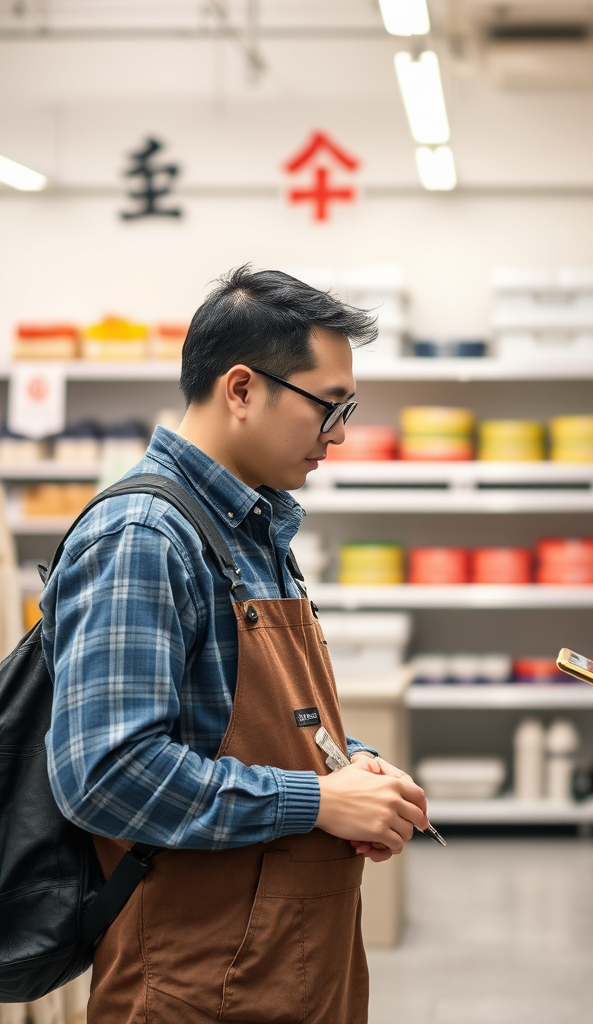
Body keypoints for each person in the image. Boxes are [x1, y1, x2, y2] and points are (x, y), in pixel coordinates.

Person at [42, 267, 429, 1024]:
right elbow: (106, 773)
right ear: (243, 388)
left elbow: (235, 724)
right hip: (192, 984)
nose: (342, 432)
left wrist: (348, 768)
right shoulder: (144, 536)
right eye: (330, 406)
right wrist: (317, 799)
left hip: (281, 969)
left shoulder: (250, 529)